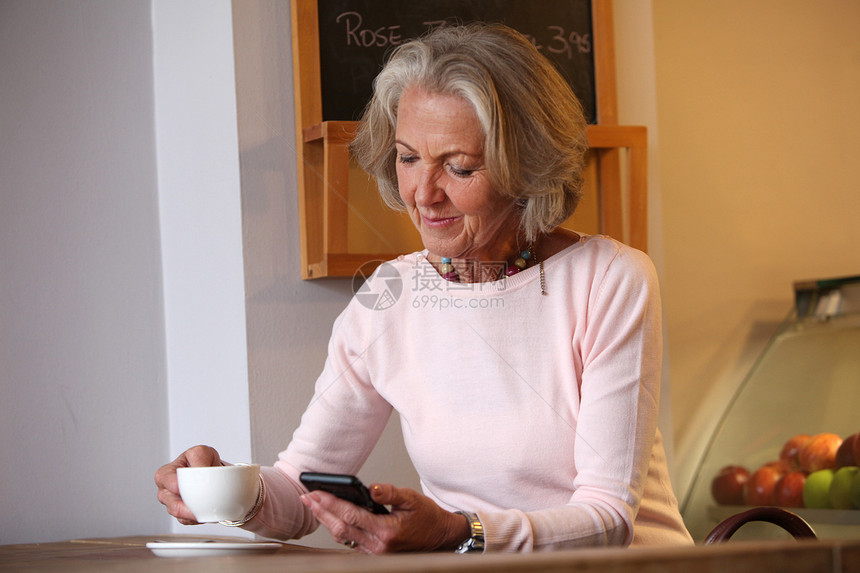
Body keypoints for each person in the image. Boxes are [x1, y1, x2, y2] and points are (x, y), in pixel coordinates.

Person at [156, 22, 693, 553]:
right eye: (408, 157)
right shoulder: (388, 298)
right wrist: (226, 490)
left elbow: (608, 520)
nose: (422, 193)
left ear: (526, 171)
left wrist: (458, 532)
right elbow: (302, 493)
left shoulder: (609, 279)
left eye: (458, 168)